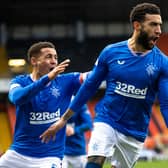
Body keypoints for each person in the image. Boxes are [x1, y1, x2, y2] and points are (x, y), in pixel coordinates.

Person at [40, 3, 168, 168]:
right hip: (107, 119)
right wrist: (64, 119)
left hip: (135, 130)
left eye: (160, 25)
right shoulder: (111, 52)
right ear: (137, 25)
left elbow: (165, 104)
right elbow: (89, 86)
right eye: (153, 24)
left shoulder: (163, 63)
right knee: (94, 160)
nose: (159, 30)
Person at [0, 41, 88, 168]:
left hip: (49, 157)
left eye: (56, 57)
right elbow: (17, 98)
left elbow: (93, 76)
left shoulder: (67, 81)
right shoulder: (20, 81)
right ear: (34, 61)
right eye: (48, 57)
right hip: (18, 154)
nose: (54, 61)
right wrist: (46, 79)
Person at [62, 96, 92, 168]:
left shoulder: (80, 104)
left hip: (78, 149)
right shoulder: (57, 103)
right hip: (61, 150)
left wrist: (74, 130)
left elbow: (88, 124)